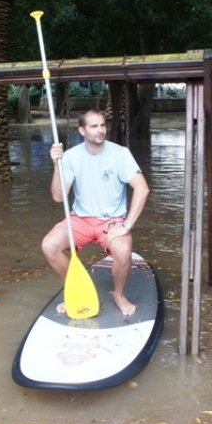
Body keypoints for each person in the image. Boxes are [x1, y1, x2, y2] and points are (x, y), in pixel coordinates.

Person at [42, 109, 149, 316]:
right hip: (80, 219)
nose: (101, 130)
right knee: (49, 245)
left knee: (123, 251)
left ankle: (119, 295)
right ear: (82, 130)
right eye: (94, 126)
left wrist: (126, 225)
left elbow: (142, 189)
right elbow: (58, 197)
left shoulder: (120, 154)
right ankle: (74, 288)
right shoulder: (71, 156)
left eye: (102, 125)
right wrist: (57, 164)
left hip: (111, 220)